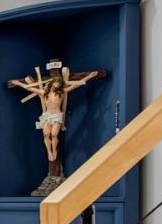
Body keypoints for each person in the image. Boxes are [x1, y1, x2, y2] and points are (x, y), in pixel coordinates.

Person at [7, 63, 107, 193]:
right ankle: (49, 151)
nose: (56, 86)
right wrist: (18, 83)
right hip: (47, 116)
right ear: (52, 84)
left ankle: (54, 150)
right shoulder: (44, 93)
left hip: (57, 116)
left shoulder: (62, 93)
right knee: (46, 135)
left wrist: (89, 76)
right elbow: (29, 88)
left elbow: (75, 85)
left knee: (54, 135)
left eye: (58, 84)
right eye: (55, 84)